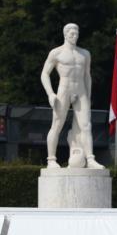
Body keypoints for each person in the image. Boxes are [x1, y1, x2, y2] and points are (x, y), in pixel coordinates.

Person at [40, 23, 103, 169]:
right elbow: (44, 74)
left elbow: (87, 76)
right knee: (56, 125)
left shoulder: (85, 54)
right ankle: (51, 159)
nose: (75, 36)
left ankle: (90, 158)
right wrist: (50, 93)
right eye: (72, 33)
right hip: (64, 90)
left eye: (77, 33)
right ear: (65, 34)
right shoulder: (56, 53)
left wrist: (88, 95)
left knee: (86, 126)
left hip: (80, 91)